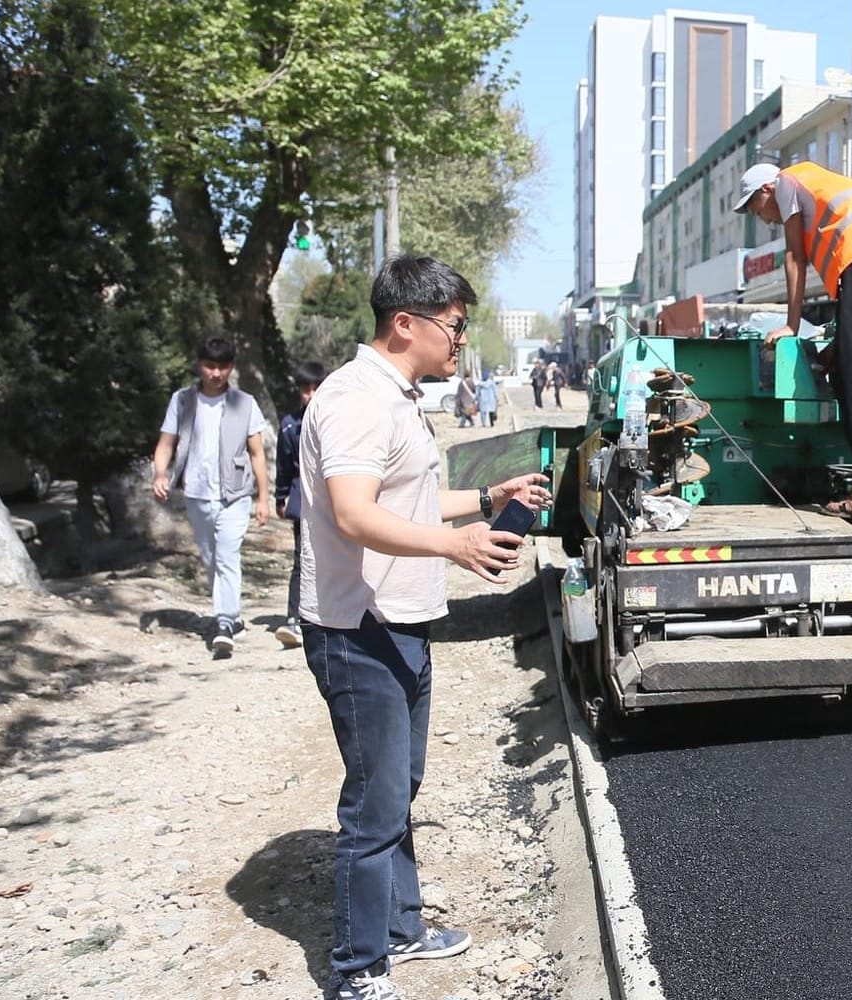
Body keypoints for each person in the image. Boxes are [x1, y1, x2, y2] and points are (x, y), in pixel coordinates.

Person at [297, 255, 552, 1000]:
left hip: (399, 620)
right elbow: (353, 512)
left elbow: (404, 500)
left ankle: (401, 932)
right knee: (374, 802)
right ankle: (356, 967)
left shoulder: (395, 395)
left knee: (398, 785)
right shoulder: (354, 400)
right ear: (405, 323)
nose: (463, 340)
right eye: (456, 325)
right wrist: (457, 545)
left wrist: (484, 497)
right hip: (357, 628)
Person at [733, 160, 852, 518]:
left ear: (766, 190)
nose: (766, 220)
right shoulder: (830, 185)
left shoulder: (788, 182)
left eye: (758, 210)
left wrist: (792, 325)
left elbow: (794, 256)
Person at [152, 335, 272, 659]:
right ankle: (229, 613)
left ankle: (224, 622)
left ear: (231, 368)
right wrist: (160, 473)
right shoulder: (182, 401)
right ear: (199, 365)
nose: (216, 373)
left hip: (236, 494)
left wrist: (263, 497)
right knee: (211, 558)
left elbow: (257, 453)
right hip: (197, 494)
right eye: (210, 366)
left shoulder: (245, 403)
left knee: (227, 556)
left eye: (222, 367)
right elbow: (166, 443)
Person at [272, 361, 328, 649]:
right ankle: (295, 617)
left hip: (336, 500)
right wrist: (280, 497)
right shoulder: (290, 425)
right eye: (305, 389)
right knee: (302, 558)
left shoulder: (339, 420)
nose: (311, 394)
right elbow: (283, 465)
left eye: (317, 387)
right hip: (303, 500)